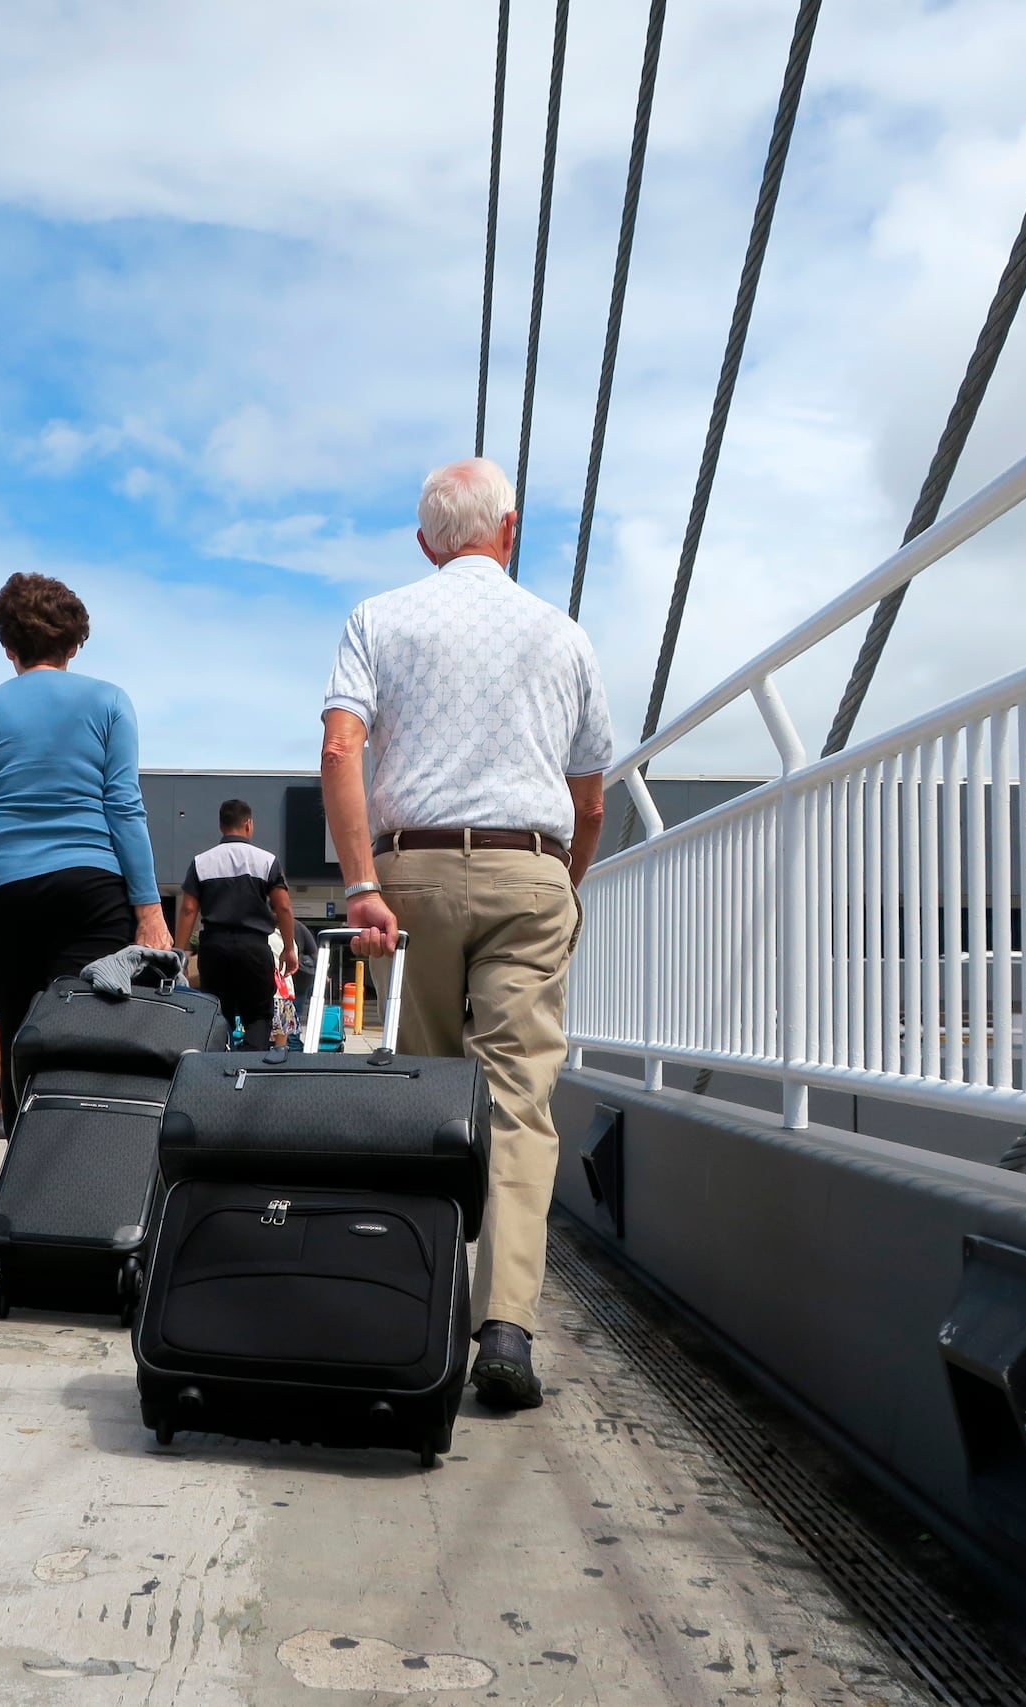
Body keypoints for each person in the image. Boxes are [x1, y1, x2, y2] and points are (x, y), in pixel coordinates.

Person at [319, 456, 611, 1412]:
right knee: (521, 1103)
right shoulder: (564, 637)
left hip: (411, 878)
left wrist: (361, 882)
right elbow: (590, 795)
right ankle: (508, 1330)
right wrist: (558, 888)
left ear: (424, 543)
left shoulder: (379, 617)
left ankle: (423, 1299)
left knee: (425, 1096)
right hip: (532, 869)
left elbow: (340, 746)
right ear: (511, 529)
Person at [0, 573, 172, 1125]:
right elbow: (125, 807)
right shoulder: (110, 701)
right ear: (75, 644)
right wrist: (149, 910)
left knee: (18, 1029)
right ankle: (81, 1175)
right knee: (90, 1030)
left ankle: (20, 1176)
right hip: (91, 886)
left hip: (4, 893)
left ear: (8, 647)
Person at [175, 798, 297, 1050]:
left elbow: (188, 909)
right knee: (259, 1015)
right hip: (253, 948)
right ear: (248, 824)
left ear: (221, 826)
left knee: (217, 1014)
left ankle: (219, 1069)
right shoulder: (266, 861)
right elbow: (283, 907)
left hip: (214, 948)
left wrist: (180, 955)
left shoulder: (201, 862)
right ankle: (249, 1069)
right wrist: (288, 948)